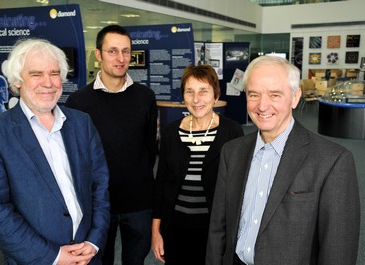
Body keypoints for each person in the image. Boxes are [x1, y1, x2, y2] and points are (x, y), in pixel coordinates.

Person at [206, 55, 360, 265]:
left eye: (275, 95)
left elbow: (338, 250)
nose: (262, 106)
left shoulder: (333, 162)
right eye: (254, 95)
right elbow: (218, 229)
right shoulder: (232, 152)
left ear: (295, 97)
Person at [0, 38, 110, 265]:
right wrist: (53, 256)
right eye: (36, 74)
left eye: (54, 73)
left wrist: (94, 241)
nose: (48, 83)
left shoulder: (81, 123)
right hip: (35, 259)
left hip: (88, 255)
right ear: (17, 81)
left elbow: (100, 185)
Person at [65, 25, 157, 265]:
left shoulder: (145, 97)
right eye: (113, 51)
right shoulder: (78, 102)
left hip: (139, 203)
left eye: (126, 52)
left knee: (135, 260)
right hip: (97, 204)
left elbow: (150, 148)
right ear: (98, 55)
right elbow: (76, 156)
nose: (120, 58)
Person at [152, 64, 244, 265]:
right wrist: (156, 231)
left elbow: (239, 188)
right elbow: (161, 184)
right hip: (176, 229)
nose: (196, 99)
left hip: (216, 231)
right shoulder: (170, 132)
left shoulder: (232, 132)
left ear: (215, 95)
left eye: (203, 91)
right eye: (190, 92)